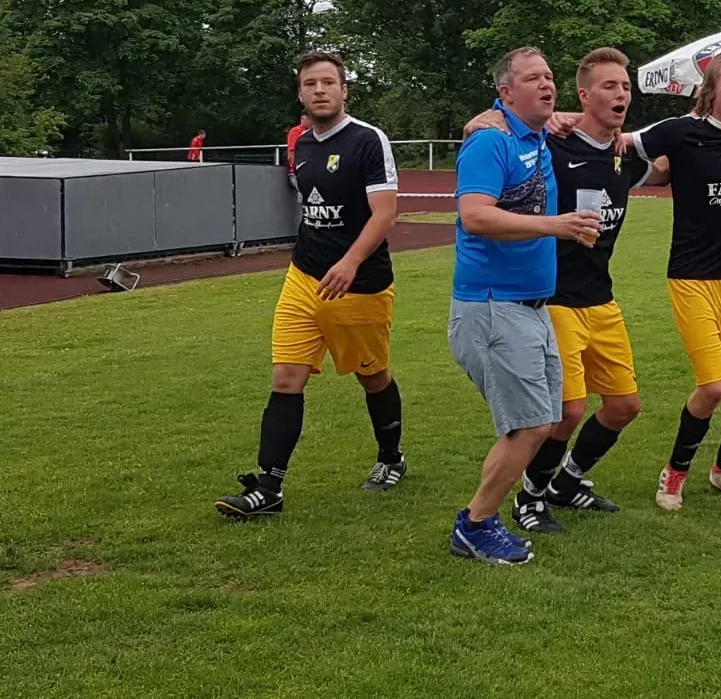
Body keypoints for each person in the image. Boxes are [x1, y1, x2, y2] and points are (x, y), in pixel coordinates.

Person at [216, 51, 403, 519]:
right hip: (303, 280)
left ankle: (391, 458)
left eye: (328, 82)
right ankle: (268, 488)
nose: (320, 90)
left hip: (360, 286)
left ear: (344, 90)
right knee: (286, 378)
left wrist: (350, 263)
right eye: (310, 84)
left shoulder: (367, 140)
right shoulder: (302, 143)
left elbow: (385, 212)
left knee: (372, 375)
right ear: (300, 93)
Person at [446, 46, 602, 564]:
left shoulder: (536, 133)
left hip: (530, 307)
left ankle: (481, 520)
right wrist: (554, 226)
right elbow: (476, 216)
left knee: (547, 418)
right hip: (493, 307)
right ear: (505, 92)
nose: (546, 83)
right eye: (533, 78)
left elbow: (591, 111)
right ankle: (475, 523)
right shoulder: (491, 141)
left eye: (550, 76)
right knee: (529, 425)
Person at [508, 48, 666, 532]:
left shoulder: (623, 156)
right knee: (569, 409)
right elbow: (487, 125)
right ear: (584, 95)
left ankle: (568, 482)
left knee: (624, 406)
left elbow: (665, 164)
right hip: (555, 299)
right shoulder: (552, 146)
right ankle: (529, 498)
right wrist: (555, 118)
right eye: (609, 87)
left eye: (625, 87)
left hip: (602, 299)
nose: (621, 95)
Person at [631, 53, 721, 511]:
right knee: (713, 385)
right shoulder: (678, 132)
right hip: (693, 277)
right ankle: (674, 473)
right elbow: (614, 139)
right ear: (710, 90)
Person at [286, 115, 310, 190]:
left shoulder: (313, 130)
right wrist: (291, 167)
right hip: (299, 159)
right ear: (302, 119)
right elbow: (291, 149)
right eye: (309, 119)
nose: (311, 122)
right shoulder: (296, 131)